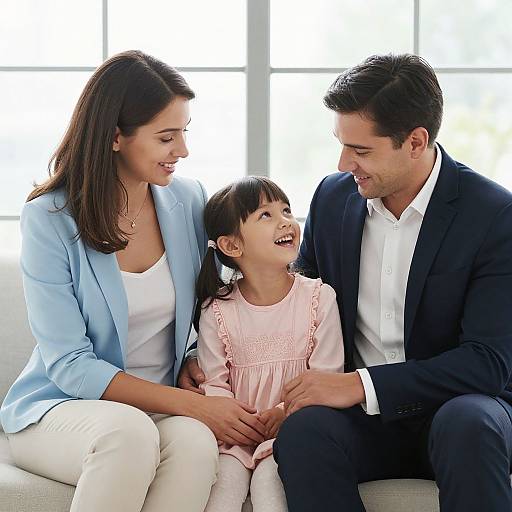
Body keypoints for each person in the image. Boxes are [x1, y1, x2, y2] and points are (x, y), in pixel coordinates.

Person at [0, 50, 267, 512]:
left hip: (156, 410)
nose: (181, 150)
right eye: (166, 137)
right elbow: (69, 363)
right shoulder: (49, 218)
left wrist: (189, 358)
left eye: (184, 132)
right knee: (130, 434)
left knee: (195, 443)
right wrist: (192, 406)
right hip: (60, 410)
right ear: (115, 136)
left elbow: (208, 301)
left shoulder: (187, 200)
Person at [270, 53, 512, 512]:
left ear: (416, 141)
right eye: (342, 145)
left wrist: (360, 384)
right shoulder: (333, 197)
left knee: (468, 422)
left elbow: (488, 363)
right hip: (365, 424)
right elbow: (296, 299)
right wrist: (206, 353)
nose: (344, 164)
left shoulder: (495, 215)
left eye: (361, 151)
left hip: (460, 409)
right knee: (304, 432)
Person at [194, 176, 345, 512]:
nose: (285, 221)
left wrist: (282, 413)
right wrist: (236, 423)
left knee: (269, 485)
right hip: (232, 438)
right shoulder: (216, 310)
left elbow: (326, 375)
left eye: (287, 210)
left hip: (290, 432)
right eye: (266, 215)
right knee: (223, 489)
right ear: (232, 246)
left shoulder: (319, 298)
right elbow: (214, 383)